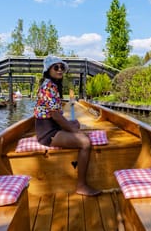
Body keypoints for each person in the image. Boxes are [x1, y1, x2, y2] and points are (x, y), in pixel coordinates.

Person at [34, 55, 101, 196]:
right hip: (47, 133)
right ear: (48, 70)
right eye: (56, 67)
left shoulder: (51, 85)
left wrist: (72, 126)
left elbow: (55, 114)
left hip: (51, 127)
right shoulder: (49, 86)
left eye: (62, 67)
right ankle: (81, 186)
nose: (60, 70)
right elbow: (55, 116)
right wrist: (75, 131)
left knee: (75, 123)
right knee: (84, 142)